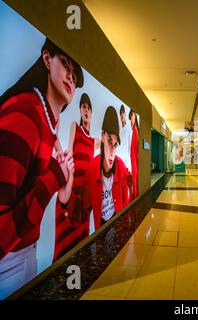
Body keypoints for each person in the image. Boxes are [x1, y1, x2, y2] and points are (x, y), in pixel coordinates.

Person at [0, 38, 83, 298]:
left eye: (75, 74)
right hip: (9, 261)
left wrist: (59, 179)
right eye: (65, 63)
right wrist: (53, 178)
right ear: (47, 60)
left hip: (23, 253)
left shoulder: (46, 120)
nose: (71, 75)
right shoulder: (25, 115)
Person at [53, 93, 100, 261]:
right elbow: (69, 152)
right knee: (65, 246)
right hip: (71, 191)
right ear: (80, 111)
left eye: (88, 108)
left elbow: (110, 145)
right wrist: (55, 140)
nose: (86, 110)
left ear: (92, 113)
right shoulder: (75, 127)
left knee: (82, 247)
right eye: (83, 107)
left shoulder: (95, 141)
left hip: (84, 198)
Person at [80, 106, 130, 230]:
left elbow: (127, 202)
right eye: (109, 141)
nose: (112, 150)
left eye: (115, 144)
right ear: (102, 136)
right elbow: (85, 207)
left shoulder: (121, 168)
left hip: (118, 225)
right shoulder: (92, 168)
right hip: (100, 228)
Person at [129, 109, 139, 199]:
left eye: (132, 116)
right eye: (130, 117)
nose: (131, 119)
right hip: (134, 162)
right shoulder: (134, 130)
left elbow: (135, 151)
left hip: (134, 162)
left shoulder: (135, 130)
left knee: (135, 182)